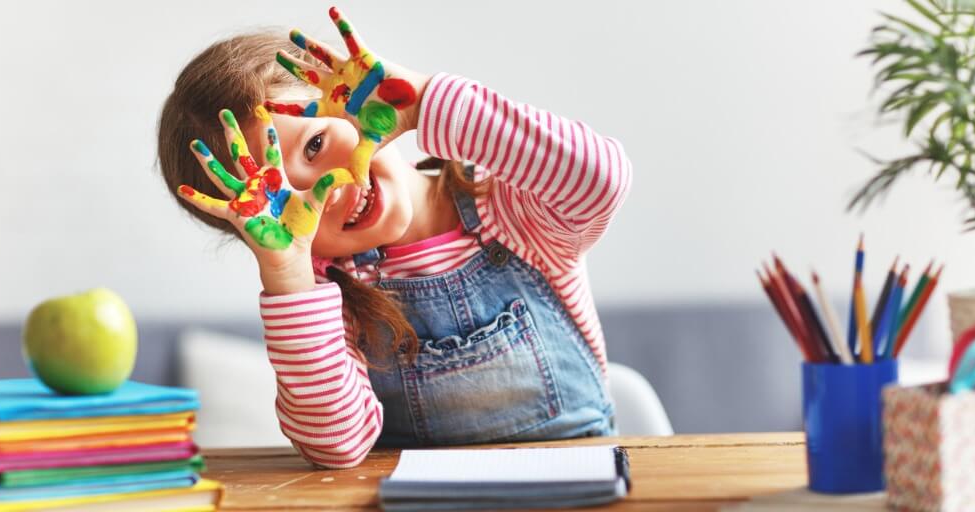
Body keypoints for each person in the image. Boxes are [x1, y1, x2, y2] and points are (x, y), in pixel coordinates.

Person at [158, 6, 633, 468]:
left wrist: (421, 102)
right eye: (279, 201)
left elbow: (599, 180)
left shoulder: (511, 209)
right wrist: (289, 275)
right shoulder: (327, 295)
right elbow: (336, 447)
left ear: (357, 102)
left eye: (315, 144)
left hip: (581, 485)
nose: (327, 190)